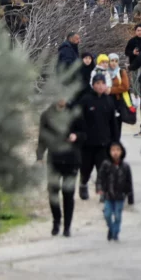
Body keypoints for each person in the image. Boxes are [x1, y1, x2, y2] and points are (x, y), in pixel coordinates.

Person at [37, 99, 85, 237]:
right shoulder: (47, 115)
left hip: (72, 158)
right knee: (53, 192)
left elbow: (84, 133)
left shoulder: (75, 113)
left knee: (68, 193)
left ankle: (67, 226)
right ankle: (56, 220)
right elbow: (42, 137)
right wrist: (39, 156)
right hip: (54, 159)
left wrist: (76, 136)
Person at [77, 74, 119, 202]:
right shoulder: (86, 100)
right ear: (93, 84)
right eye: (97, 83)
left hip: (104, 142)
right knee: (86, 168)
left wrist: (115, 141)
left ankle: (103, 192)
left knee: (103, 169)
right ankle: (83, 184)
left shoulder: (109, 101)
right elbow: (79, 121)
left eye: (102, 83)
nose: (100, 86)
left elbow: (113, 123)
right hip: (88, 143)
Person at [97, 142, 133, 241]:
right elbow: (100, 178)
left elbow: (129, 183)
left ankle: (115, 233)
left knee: (117, 216)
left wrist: (130, 197)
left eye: (118, 150)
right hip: (108, 195)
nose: (115, 153)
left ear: (122, 152)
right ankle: (111, 229)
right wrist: (100, 189)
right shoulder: (106, 164)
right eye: (113, 150)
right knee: (107, 214)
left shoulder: (125, 166)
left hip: (120, 196)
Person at [108, 53, 131, 140]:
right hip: (107, 101)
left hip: (118, 101)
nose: (114, 63)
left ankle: (116, 144)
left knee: (117, 125)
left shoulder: (121, 72)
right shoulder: (105, 72)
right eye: (112, 61)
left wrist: (110, 90)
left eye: (116, 61)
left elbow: (125, 87)